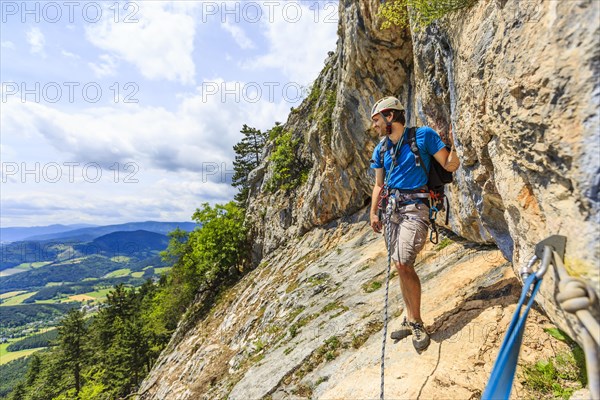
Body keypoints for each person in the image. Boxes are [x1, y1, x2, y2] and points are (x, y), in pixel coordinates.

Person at [369, 96, 460, 352]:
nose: (374, 126)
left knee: (403, 261)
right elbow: (378, 184)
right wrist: (373, 213)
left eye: (376, 120)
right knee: (399, 264)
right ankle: (409, 316)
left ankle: (416, 322)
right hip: (391, 211)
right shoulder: (382, 149)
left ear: (390, 116)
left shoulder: (424, 136)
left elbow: (449, 165)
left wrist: (457, 143)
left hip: (416, 208)